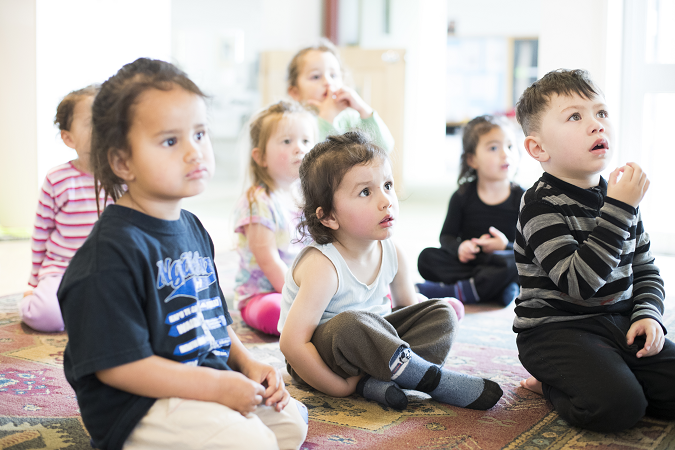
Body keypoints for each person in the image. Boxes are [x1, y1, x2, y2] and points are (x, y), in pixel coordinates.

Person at [57, 58, 308, 450]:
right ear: (123, 162)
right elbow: (118, 366)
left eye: (200, 133)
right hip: (140, 405)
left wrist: (245, 364)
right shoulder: (109, 254)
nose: (195, 152)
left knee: (290, 425)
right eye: (171, 141)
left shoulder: (191, 226)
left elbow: (214, 322)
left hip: (200, 379)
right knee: (253, 443)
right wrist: (217, 386)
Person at [278, 131, 502, 412]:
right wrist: (341, 387)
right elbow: (292, 344)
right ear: (329, 216)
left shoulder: (392, 251)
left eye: (387, 185)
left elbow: (407, 306)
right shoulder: (323, 266)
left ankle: (381, 382)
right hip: (322, 361)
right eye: (365, 192)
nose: (386, 200)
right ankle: (430, 380)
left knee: (441, 313)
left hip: (379, 351)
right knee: (351, 324)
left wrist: (436, 316)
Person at [513, 68, 675, 432]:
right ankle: (553, 386)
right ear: (539, 148)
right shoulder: (539, 205)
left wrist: (648, 315)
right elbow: (579, 283)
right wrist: (619, 209)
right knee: (620, 408)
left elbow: (646, 269)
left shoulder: (618, 196)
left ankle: (612, 372)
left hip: (619, 323)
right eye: (575, 116)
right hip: (556, 333)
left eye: (601, 113)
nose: (597, 124)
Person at [20, 84, 111, 332]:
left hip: (111, 268)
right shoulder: (57, 179)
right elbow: (41, 232)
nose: (102, 126)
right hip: (63, 269)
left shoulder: (124, 176)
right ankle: (32, 302)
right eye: (92, 121)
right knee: (46, 318)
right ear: (68, 138)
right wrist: (33, 282)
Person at [416, 115, 524, 307]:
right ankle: (490, 287)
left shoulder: (523, 198)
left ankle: (457, 290)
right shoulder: (462, 196)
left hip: (500, 261)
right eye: (493, 148)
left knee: (515, 263)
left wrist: (504, 246)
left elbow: (529, 247)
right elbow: (447, 237)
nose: (505, 154)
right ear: (472, 160)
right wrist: (460, 248)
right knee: (427, 258)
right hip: (469, 264)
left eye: (510, 146)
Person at [233, 100, 316, 335]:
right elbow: (268, 260)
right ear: (261, 157)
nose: (299, 148)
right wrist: (303, 300)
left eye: (306, 141)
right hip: (263, 294)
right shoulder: (258, 201)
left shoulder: (305, 198)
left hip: (304, 288)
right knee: (275, 311)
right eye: (287, 141)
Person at [287, 39, 394, 152]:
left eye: (333, 75)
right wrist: (327, 116)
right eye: (316, 77)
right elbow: (310, 160)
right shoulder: (297, 122)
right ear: (295, 93)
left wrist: (363, 110)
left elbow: (384, 148)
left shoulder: (349, 117)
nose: (328, 81)